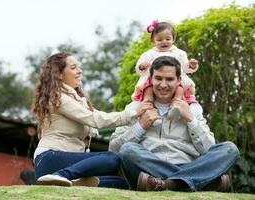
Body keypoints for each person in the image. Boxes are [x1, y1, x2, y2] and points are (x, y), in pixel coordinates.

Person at [109, 56, 240, 192]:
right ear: (150, 80)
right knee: (128, 150)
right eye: (158, 78)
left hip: (183, 166)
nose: (163, 85)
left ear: (179, 81)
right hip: (148, 170)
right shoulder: (135, 108)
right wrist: (140, 126)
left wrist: (190, 119)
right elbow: (114, 149)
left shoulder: (193, 109)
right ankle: (197, 181)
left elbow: (208, 149)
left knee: (230, 149)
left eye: (169, 79)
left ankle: (167, 184)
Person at [31, 51, 152, 188]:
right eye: (73, 68)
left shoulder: (75, 99)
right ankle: (62, 176)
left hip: (65, 162)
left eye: (79, 67)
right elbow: (96, 119)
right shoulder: (58, 98)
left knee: (121, 183)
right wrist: (134, 112)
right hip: (50, 158)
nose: (79, 71)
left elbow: (98, 115)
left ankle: (71, 182)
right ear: (58, 74)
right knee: (112, 158)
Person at [133, 20, 199, 124]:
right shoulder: (149, 54)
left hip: (175, 79)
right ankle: (149, 109)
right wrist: (142, 66)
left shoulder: (179, 53)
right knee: (148, 90)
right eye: (159, 39)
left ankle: (176, 105)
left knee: (180, 88)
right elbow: (139, 67)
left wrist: (191, 65)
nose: (164, 42)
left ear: (173, 39)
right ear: (153, 40)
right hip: (152, 80)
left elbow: (186, 68)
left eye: (168, 39)